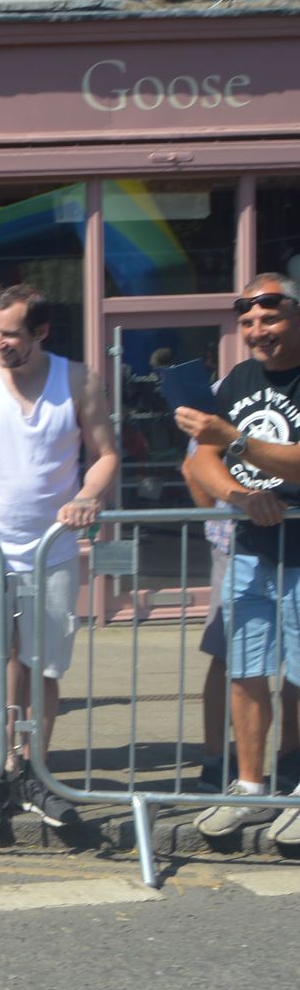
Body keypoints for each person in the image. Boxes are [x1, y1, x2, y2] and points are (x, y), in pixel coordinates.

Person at [0, 283, 118, 831]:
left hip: (50, 550)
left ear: (40, 332)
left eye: (9, 334)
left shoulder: (79, 380)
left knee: (41, 666)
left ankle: (31, 769)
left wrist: (87, 497)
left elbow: (105, 455)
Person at [176, 275, 300, 845]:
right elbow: (201, 462)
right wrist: (242, 495)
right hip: (251, 549)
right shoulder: (238, 381)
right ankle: (250, 790)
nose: (258, 331)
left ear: (294, 316)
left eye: (269, 319)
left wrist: (237, 440)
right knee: (247, 672)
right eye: (248, 322)